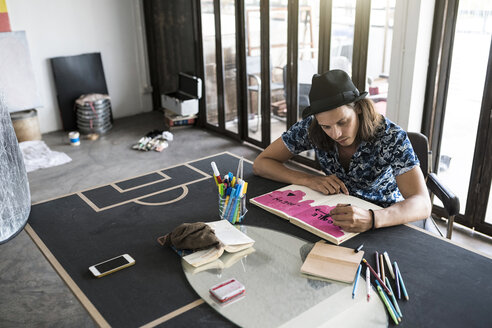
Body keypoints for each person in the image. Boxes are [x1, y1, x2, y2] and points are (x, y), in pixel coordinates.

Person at [253, 70, 431, 233]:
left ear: (359, 108)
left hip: (385, 218)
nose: (336, 134)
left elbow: (422, 204)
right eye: (326, 126)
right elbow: (262, 163)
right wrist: (308, 179)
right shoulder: (310, 128)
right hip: (336, 213)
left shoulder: (391, 137)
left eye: (343, 122)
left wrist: (373, 218)